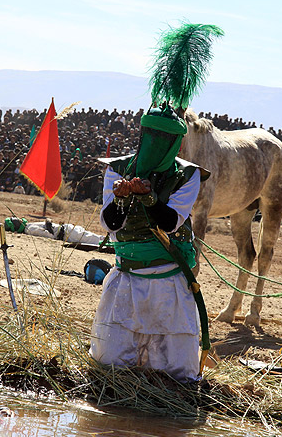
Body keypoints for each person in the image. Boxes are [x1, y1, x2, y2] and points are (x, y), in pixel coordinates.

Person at [89, 105, 209, 382]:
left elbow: (170, 223)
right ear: (142, 133)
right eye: (151, 134)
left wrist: (149, 198)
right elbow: (111, 224)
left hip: (168, 281)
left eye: (163, 138)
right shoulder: (118, 169)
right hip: (127, 277)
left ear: (175, 143)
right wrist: (121, 198)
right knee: (111, 363)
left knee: (174, 369)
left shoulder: (187, 175)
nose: (155, 142)